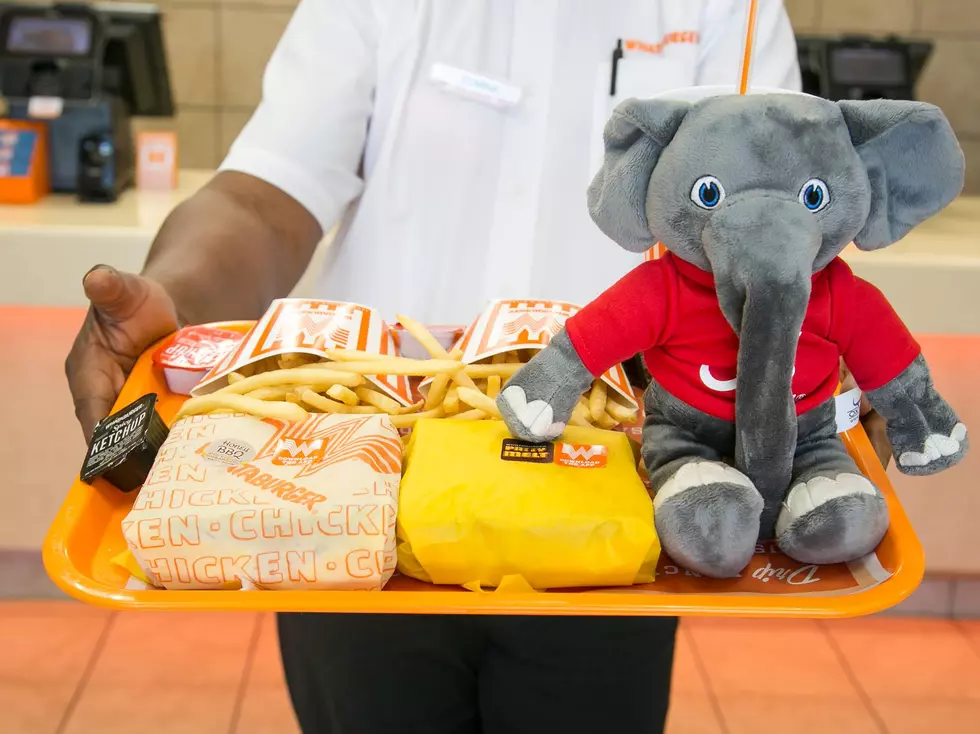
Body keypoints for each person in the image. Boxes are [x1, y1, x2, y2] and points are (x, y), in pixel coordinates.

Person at [65, 2, 890, 732]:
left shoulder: (725, 8)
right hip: (356, 499)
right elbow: (265, 198)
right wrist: (171, 293)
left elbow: (781, 233)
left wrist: (836, 361)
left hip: (610, 500)